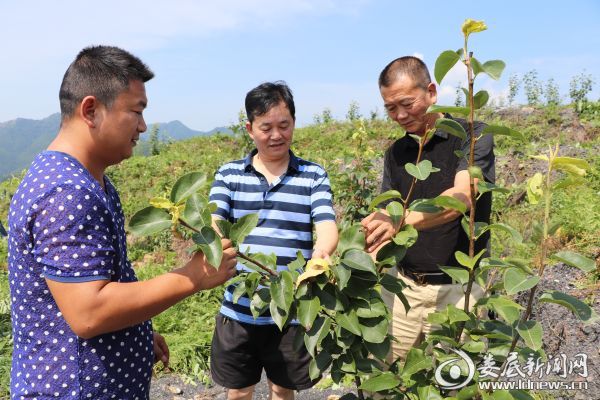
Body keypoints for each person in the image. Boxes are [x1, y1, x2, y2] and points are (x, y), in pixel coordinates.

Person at [7, 45, 237, 399]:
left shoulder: (93, 180)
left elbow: (101, 281)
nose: (144, 126)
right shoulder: (65, 192)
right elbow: (88, 312)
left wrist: (138, 332)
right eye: (136, 111)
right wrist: (194, 276)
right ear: (91, 110)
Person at [209, 81, 338, 400]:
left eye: (284, 125)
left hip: (292, 309)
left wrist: (318, 260)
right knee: (238, 390)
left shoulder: (312, 176)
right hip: (240, 309)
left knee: (283, 389)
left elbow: (326, 226)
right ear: (250, 129)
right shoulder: (229, 175)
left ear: (294, 123)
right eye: (266, 127)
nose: (276, 135)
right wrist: (212, 243)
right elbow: (215, 223)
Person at [361, 56, 494, 362]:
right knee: (382, 380)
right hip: (402, 289)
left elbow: (461, 198)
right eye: (390, 108)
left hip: (458, 292)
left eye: (406, 103)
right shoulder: (396, 153)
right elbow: (387, 217)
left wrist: (401, 220)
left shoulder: (472, 136)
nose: (400, 115)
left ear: (431, 92)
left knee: (452, 384)